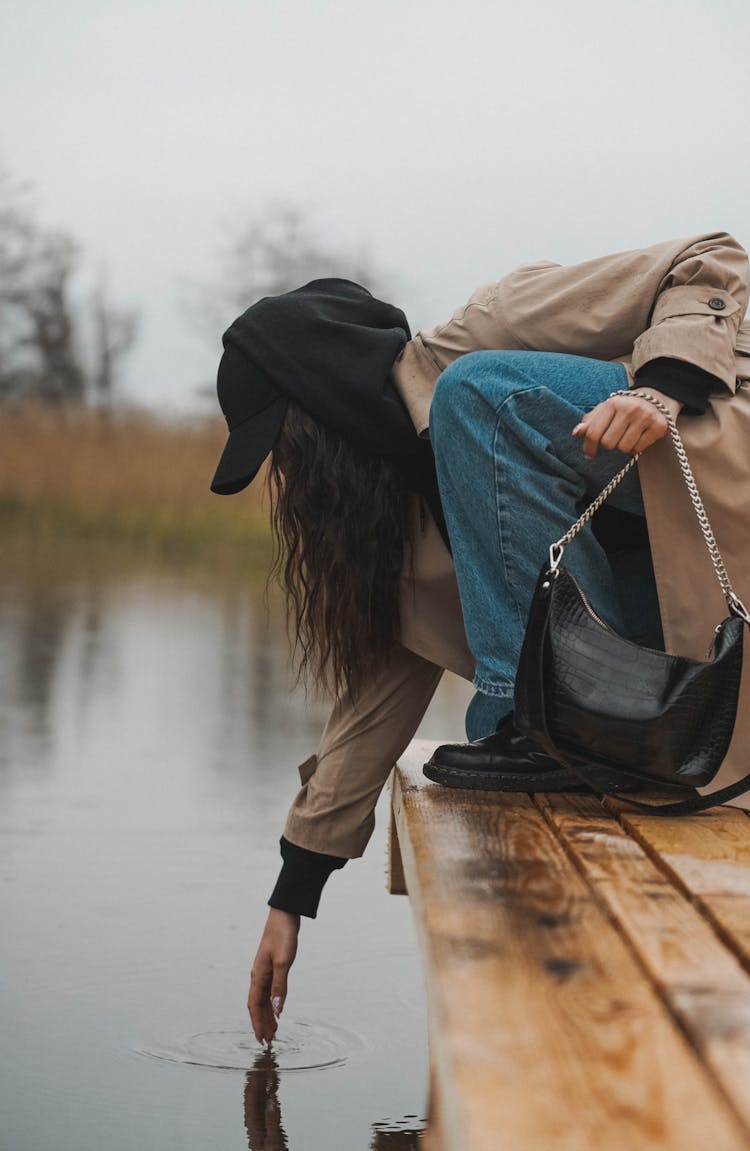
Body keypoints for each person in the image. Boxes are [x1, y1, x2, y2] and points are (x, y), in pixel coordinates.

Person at [209, 233, 750, 1044]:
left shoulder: (489, 328)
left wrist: (663, 386)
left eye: (287, 446)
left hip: (712, 470)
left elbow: (710, 260)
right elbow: (374, 697)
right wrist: (293, 893)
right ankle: (553, 725)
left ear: (318, 400)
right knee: (481, 732)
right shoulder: (411, 527)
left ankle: (537, 723)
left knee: (480, 394)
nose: (292, 477)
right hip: (680, 629)